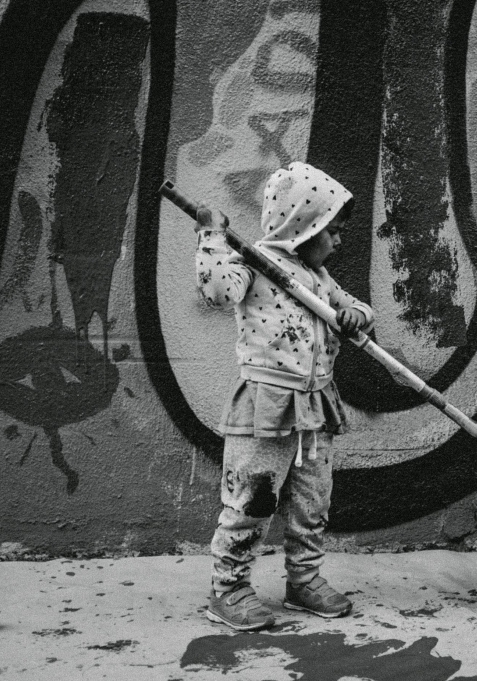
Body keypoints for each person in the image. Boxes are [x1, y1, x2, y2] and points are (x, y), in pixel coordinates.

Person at [194, 162, 374, 630]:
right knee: (252, 500)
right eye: (332, 230)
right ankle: (228, 588)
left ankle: (304, 579)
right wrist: (212, 236)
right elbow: (215, 291)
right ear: (304, 224)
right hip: (267, 405)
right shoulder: (254, 265)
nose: (339, 240)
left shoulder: (318, 278)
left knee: (313, 501)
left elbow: (351, 307)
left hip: (315, 403)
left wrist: (355, 313)